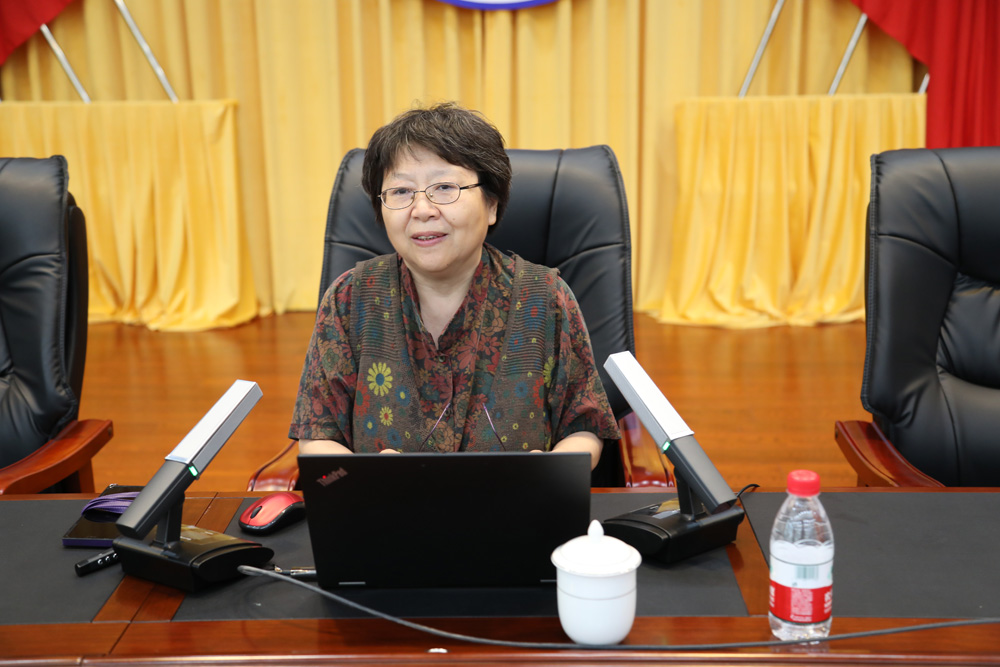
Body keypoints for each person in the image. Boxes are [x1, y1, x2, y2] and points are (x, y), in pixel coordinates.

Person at [289, 102, 619, 469]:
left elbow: (584, 425)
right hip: (383, 505)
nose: (422, 210)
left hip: (514, 503)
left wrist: (548, 474)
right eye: (401, 192)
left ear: (492, 205)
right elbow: (318, 436)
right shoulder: (350, 299)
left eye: (444, 187)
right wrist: (367, 480)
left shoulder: (545, 297)